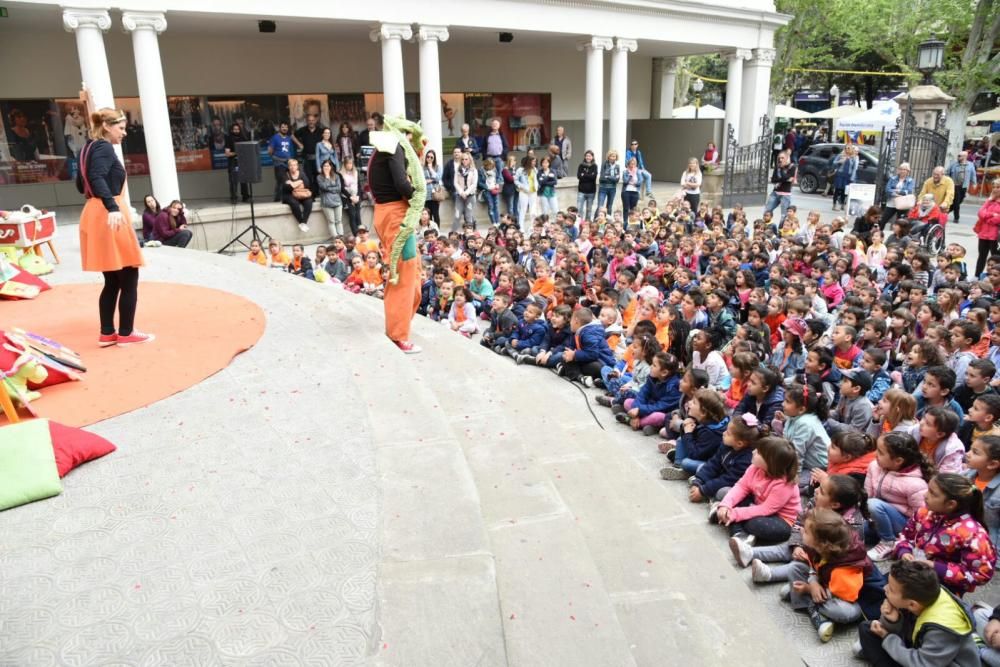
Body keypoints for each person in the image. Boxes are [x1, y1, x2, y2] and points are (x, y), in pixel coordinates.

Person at [76, 107, 152, 347]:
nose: (124, 133)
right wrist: (112, 207)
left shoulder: (87, 147)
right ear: (107, 127)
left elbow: (81, 183)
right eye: (121, 128)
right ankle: (127, 333)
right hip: (109, 215)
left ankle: (107, 333)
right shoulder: (104, 147)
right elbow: (97, 178)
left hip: (95, 213)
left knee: (112, 280)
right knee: (129, 276)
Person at [857, 560, 980, 666]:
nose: (885, 588)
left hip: (933, 663)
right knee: (867, 628)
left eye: (891, 589)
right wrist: (892, 621)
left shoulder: (941, 630)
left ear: (912, 604)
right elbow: (911, 630)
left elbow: (921, 663)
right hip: (922, 648)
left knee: (876, 643)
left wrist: (887, 637)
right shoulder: (921, 594)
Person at [368, 117, 423, 354]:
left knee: (412, 272)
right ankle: (398, 335)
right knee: (404, 273)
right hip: (396, 217)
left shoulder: (381, 150)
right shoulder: (395, 147)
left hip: (387, 214)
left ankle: (399, 325)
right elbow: (402, 183)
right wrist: (418, 197)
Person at [893, 472, 996, 596]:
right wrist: (904, 552)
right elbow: (905, 536)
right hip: (913, 573)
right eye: (928, 490)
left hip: (943, 587)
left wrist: (935, 566)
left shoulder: (972, 534)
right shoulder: (924, 513)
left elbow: (980, 574)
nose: (925, 495)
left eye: (933, 493)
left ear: (951, 504)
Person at [974, 181, 1000, 277]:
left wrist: (987, 218)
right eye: (994, 187)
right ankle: (977, 276)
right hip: (984, 234)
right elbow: (980, 213)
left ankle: (996, 277)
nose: (995, 189)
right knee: (981, 256)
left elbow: (997, 220)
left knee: (996, 259)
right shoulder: (989, 201)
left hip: (996, 236)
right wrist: (992, 214)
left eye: (998, 187)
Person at [281, 158, 313, 232]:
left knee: (309, 202)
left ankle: (304, 222)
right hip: (289, 194)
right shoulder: (285, 174)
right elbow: (288, 188)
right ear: (288, 167)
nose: (293, 167)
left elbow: (307, 184)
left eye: (295, 165)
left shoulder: (301, 173)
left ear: (297, 166)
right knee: (294, 203)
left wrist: (294, 183)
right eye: (291, 165)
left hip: (302, 193)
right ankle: (301, 222)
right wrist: (300, 182)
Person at [879, 162, 915, 229]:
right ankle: (879, 234)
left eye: (904, 169)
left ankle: (898, 237)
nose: (902, 171)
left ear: (908, 171)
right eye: (901, 169)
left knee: (900, 222)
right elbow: (887, 189)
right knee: (883, 220)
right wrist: (895, 193)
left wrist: (896, 191)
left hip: (903, 204)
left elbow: (909, 191)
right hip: (892, 203)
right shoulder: (893, 178)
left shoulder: (910, 180)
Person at [223, 121, 251, 204]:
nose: (236, 131)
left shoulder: (243, 138)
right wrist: (236, 153)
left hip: (242, 162)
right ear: (231, 130)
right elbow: (227, 153)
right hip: (233, 162)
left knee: (244, 180)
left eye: (238, 129)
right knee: (233, 181)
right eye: (234, 129)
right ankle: (234, 198)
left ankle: (245, 197)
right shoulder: (229, 138)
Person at [946, 151, 978, 223]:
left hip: (964, 186)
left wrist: (974, 183)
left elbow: (973, 174)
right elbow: (947, 173)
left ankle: (946, 212)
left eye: (960, 156)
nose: (958, 157)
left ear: (965, 157)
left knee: (959, 201)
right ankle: (956, 218)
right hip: (954, 185)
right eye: (958, 155)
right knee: (956, 201)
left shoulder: (970, 165)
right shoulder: (953, 164)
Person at [317, 159, 346, 237]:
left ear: (331, 167)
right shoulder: (319, 177)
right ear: (322, 167)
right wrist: (326, 177)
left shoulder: (336, 176)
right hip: (327, 202)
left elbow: (339, 188)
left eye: (328, 166)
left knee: (339, 221)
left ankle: (341, 237)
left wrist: (330, 189)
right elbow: (323, 187)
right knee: (331, 221)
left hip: (337, 201)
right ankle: (336, 238)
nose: (326, 167)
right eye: (325, 166)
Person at [765, 150, 796, 220]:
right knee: (767, 211)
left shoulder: (792, 167)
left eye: (782, 158)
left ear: (787, 158)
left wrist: (782, 170)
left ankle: (781, 230)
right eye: (779, 158)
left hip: (785, 194)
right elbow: (773, 179)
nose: (780, 160)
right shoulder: (777, 167)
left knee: (784, 215)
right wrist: (786, 179)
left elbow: (786, 178)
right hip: (775, 193)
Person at [268, 121, 294, 202]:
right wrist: (275, 158)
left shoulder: (289, 138)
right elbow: (270, 151)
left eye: (286, 127)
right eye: (283, 127)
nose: (284, 128)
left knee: (289, 180)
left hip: (288, 162)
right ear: (279, 128)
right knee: (281, 180)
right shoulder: (275, 137)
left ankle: (287, 197)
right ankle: (277, 199)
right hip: (279, 162)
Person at [453, 151, 478, 232]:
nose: (464, 161)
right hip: (459, 195)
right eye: (463, 159)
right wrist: (461, 192)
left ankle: (470, 233)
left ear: (470, 160)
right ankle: (453, 233)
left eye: (466, 159)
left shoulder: (474, 170)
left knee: (468, 215)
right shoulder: (458, 170)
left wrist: (466, 192)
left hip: (470, 195)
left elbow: (474, 184)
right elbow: (455, 182)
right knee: (457, 215)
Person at [515, 155, 538, 234]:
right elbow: (516, 180)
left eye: (535, 161)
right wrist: (521, 186)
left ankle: (532, 226)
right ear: (529, 161)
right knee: (523, 209)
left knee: (533, 210)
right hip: (524, 192)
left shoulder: (535, 169)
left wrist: (536, 187)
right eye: (533, 161)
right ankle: (521, 226)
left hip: (533, 192)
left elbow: (535, 180)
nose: (534, 163)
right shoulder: (520, 170)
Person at [831, 145, 858, 212]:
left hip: (847, 176)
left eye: (848, 148)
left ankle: (842, 205)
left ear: (851, 149)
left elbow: (854, 168)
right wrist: (839, 161)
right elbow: (834, 162)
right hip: (840, 174)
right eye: (846, 148)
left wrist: (852, 177)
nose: (847, 149)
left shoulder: (853, 157)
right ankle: (834, 205)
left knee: (844, 191)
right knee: (837, 190)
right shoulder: (840, 155)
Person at [340, 156, 361, 236]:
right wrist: (350, 197)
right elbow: (342, 188)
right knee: (352, 215)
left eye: (351, 163)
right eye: (348, 163)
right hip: (347, 198)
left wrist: (358, 196)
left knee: (358, 216)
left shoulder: (356, 172)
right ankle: (356, 235)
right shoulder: (341, 174)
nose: (349, 165)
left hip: (356, 197)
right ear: (344, 164)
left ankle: (361, 233)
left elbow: (359, 185)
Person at [597, 150, 621, 217]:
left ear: (616, 157)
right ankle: (597, 221)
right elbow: (602, 178)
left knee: (609, 206)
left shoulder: (617, 166)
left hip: (612, 188)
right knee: (600, 206)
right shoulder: (604, 164)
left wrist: (608, 176)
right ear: (608, 157)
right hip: (603, 188)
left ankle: (608, 221)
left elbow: (617, 180)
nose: (613, 158)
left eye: (614, 156)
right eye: (611, 156)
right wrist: (612, 177)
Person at [576, 150, 598, 222]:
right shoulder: (581, 165)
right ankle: (579, 222)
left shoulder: (594, 166)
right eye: (587, 156)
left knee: (589, 210)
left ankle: (587, 223)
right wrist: (589, 175)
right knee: (579, 209)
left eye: (590, 156)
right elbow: (579, 176)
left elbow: (593, 177)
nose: (588, 157)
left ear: (592, 157)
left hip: (591, 191)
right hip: (581, 191)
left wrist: (584, 175)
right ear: (585, 157)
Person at [422, 150, 443, 225]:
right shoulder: (422, 167)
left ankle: (437, 231)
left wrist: (431, 169)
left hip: (435, 194)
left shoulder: (438, 167)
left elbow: (438, 178)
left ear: (434, 158)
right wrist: (431, 180)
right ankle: (429, 231)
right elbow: (421, 181)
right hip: (426, 194)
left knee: (436, 214)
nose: (429, 158)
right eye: (428, 157)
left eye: (431, 157)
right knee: (428, 215)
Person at [621, 157, 641, 224]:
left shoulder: (638, 171)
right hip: (626, 191)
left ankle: (632, 222)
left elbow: (640, 181)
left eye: (634, 164)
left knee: (633, 209)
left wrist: (635, 183)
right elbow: (625, 182)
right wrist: (630, 176)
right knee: (626, 208)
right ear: (628, 164)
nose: (632, 165)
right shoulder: (625, 171)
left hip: (635, 192)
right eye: (631, 164)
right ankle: (625, 222)